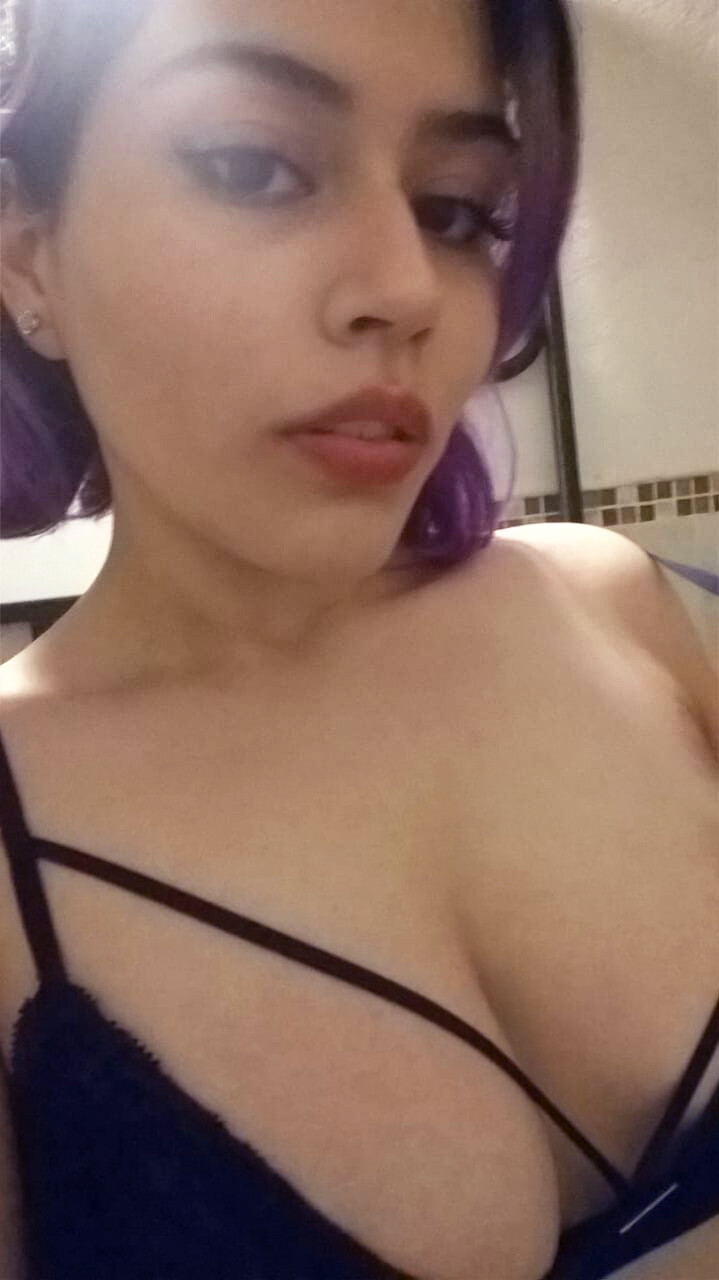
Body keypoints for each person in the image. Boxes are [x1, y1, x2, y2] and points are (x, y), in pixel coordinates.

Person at [0, 1, 717, 1277]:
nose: (403, 289)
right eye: (249, 165)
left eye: (455, 210)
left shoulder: (614, 605)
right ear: (27, 256)